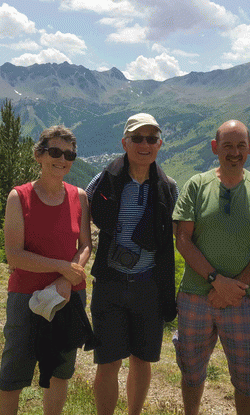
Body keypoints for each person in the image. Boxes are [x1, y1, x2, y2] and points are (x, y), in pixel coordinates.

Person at [173, 120, 250, 415]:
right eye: (227, 146)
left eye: (240, 146)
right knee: (191, 370)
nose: (234, 152)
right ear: (215, 148)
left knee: (249, 378)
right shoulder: (197, 185)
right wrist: (217, 281)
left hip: (244, 298)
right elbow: (183, 239)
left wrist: (235, 288)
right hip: (196, 294)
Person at [0, 125, 92, 415]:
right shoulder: (19, 197)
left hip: (68, 296)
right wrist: (62, 269)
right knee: (12, 376)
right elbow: (14, 256)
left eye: (69, 155)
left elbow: (86, 245)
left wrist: (66, 281)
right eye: (55, 152)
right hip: (27, 297)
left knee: (60, 372)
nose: (62, 159)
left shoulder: (79, 196)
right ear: (39, 155)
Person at [86, 113, 178, 415]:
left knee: (142, 361)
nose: (144, 144)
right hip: (110, 283)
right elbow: (83, 209)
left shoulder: (169, 187)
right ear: (124, 143)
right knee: (108, 362)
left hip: (149, 286)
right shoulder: (105, 180)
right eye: (137, 138)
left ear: (159, 144)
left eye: (151, 139)